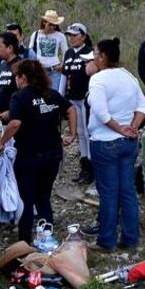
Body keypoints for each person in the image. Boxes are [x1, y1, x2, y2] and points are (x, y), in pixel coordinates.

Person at [0, 60, 77, 243]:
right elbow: (71, 109)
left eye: (17, 76)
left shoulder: (19, 97)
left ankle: (25, 242)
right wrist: (72, 134)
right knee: (43, 197)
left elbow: (16, 123)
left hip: (30, 156)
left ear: (22, 77)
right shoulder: (51, 94)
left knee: (26, 199)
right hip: (53, 154)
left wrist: (2, 142)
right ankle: (46, 238)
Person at [88, 38, 145, 251]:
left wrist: (119, 128)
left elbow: (101, 111)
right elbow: (143, 104)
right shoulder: (128, 76)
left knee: (108, 192)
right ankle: (130, 238)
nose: (94, 57)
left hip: (105, 142)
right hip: (128, 142)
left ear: (103, 56)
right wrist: (132, 126)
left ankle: (107, 240)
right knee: (127, 190)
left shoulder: (98, 80)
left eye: (95, 53)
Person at [63, 23, 94, 184]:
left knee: (88, 131)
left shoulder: (89, 51)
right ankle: (84, 163)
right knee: (79, 132)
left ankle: (92, 164)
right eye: (70, 35)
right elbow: (64, 75)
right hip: (72, 97)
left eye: (75, 35)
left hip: (86, 97)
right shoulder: (68, 53)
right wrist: (61, 97)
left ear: (83, 35)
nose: (72, 38)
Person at [28, 10, 69, 92]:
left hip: (54, 70)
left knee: (54, 95)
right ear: (44, 22)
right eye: (50, 24)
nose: (52, 27)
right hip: (39, 70)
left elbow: (66, 53)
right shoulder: (36, 34)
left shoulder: (60, 36)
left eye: (54, 25)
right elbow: (30, 51)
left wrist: (62, 65)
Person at [0, 31, 22, 126]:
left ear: (10, 48)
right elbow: (3, 89)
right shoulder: (2, 65)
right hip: (4, 122)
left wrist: (11, 112)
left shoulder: (21, 66)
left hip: (18, 124)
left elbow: (26, 95)